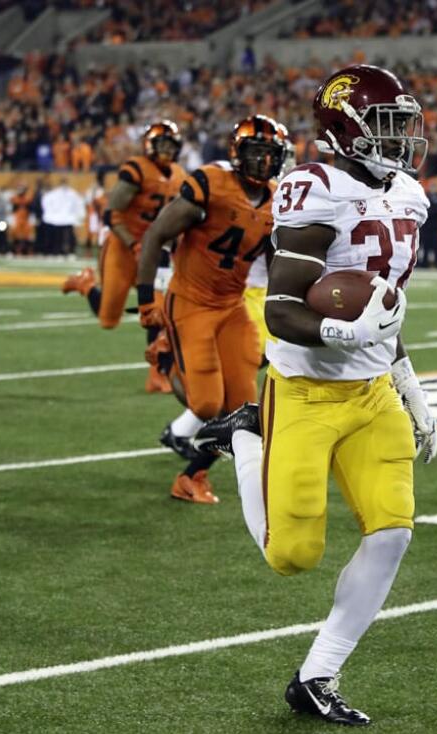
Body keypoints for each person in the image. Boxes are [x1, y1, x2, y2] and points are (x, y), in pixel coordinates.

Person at [191, 64, 436, 726]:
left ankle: (316, 675)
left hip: (373, 392)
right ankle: (245, 432)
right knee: (290, 555)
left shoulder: (409, 194)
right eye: (388, 123)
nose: (403, 137)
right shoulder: (313, 188)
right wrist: (344, 330)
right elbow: (280, 310)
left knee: (391, 532)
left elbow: (384, 305)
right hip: (304, 388)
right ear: (347, 125)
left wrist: (408, 383)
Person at [135, 115, 284, 503]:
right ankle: (165, 357)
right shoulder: (211, 185)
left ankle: (192, 477)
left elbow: (277, 269)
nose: (263, 163)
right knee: (206, 403)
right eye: (256, 153)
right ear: (237, 153)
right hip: (191, 299)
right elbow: (155, 235)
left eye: (270, 155)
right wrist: (146, 298)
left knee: (244, 412)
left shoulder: (275, 201)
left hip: (232, 306)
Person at [61, 121, 186, 393]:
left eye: (170, 146)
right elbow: (111, 213)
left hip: (156, 251)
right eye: (161, 145)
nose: (166, 151)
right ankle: (85, 285)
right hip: (122, 246)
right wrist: (133, 244)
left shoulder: (180, 176)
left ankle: (157, 374)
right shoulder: (136, 170)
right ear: (149, 146)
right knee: (108, 319)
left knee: (157, 311)